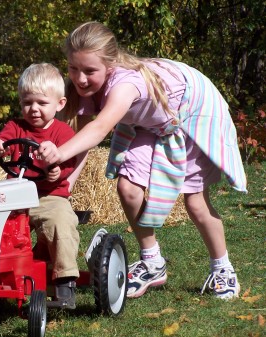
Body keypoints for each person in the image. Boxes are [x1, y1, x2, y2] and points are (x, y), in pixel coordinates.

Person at [37, 22, 247, 300]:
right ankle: (152, 263)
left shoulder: (124, 85)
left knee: (195, 201)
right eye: (73, 68)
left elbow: (99, 130)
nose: (80, 78)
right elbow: (84, 140)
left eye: (90, 71)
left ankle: (223, 268)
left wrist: (59, 154)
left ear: (110, 64)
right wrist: (67, 183)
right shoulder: (83, 90)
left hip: (192, 109)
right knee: (128, 188)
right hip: (150, 122)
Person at [0, 63, 80, 309]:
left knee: (61, 222)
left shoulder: (63, 133)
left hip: (48, 196)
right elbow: (2, 139)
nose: (34, 109)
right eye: (28, 102)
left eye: (42, 103)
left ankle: (65, 282)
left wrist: (57, 172)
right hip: (16, 196)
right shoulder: (16, 127)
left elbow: (69, 164)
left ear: (59, 104)